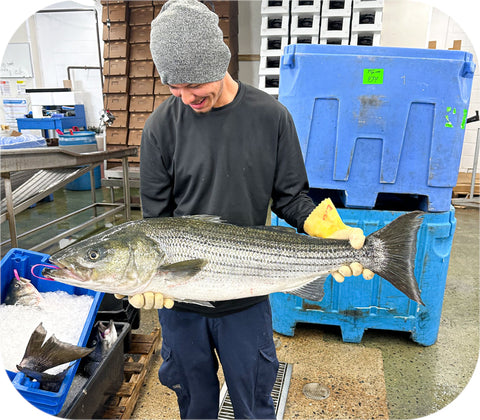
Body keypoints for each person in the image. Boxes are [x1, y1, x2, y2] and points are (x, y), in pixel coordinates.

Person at [116, 0, 372, 418]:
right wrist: (145, 277)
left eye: (194, 83)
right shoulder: (160, 127)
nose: (185, 96)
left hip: (248, 294)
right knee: (193, 403)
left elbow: (291, 197)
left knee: (253, 403)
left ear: (220, 60)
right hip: (181, 308)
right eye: (173, 86)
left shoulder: (270, 117)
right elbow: (156, 223)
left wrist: (330, 232)